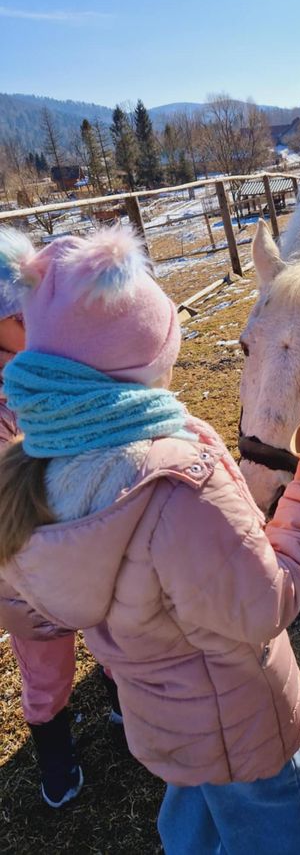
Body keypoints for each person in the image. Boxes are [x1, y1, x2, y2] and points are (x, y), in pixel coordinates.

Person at [0, 224, 300, 854]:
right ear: (144, 356)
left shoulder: (35, 472)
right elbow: (264, 603)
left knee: (190, 812)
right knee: (271, 828)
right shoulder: (177, 484)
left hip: (162, 719)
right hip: (242, 724)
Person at [0, 235, 124, 809]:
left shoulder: (55, 363)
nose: (39, 322)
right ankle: (54, 752)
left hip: (82, 545)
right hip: (23, 575)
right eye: (23, 314)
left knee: (109, 627)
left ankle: (122, 691)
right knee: (46, 666)